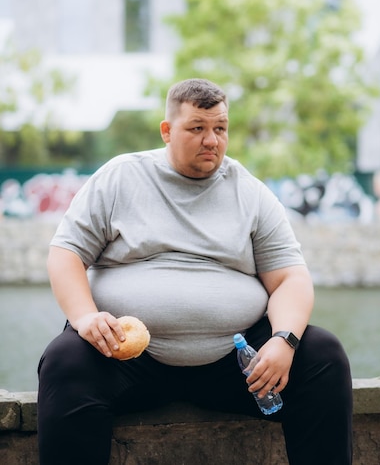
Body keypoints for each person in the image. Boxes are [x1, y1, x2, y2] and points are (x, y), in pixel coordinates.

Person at [37, 78, 353, 465]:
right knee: (66, 358)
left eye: (220, 128)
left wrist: (284, 340)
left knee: (323, 355)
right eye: (197, 128)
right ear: (167, 131)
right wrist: (85, 318)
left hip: (236, 366)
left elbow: (291, 278)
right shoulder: (119, 178)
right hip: (128, 361)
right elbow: (65, 253)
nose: (212, 140)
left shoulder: (250, 192)